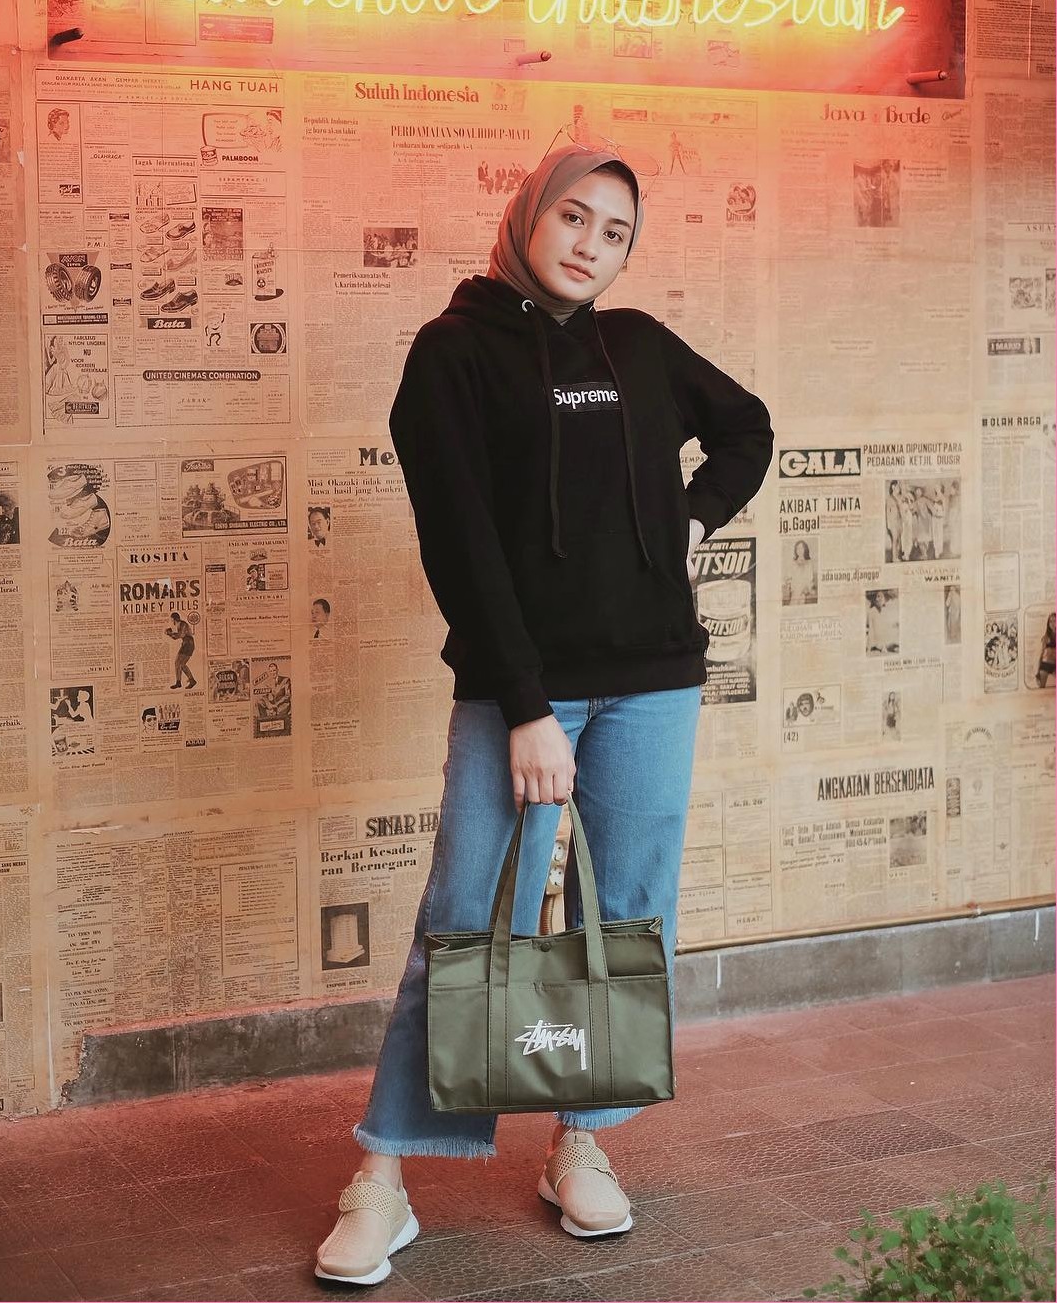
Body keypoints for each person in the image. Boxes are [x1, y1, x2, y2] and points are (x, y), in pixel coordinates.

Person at [313, 142, 773, 1285]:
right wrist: (525, 706)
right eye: (573, 216)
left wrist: (693, 517)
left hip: (654, 681)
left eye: (614, 232)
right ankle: (384, 1174)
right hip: (525, 685)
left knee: (623, 921)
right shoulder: (453, 352)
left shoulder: (639, 345)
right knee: (470, 919)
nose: (588, 245)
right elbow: (460, 544)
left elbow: (747, 427)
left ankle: (580, 1142)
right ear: (527, 214)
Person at [165, 612, 196, 689]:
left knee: (178, 663)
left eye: (172, 619)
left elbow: (180, 635)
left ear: (174, 619)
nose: (171, 621)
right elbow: (176, 637)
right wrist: (170, 633)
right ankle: (186, 681)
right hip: (187, 644)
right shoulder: (179, 624)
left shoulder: (182, 624)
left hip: (188, 644)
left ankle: (183, 682)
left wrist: (170, 633)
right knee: (181, 664)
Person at [783, 539, 817, 604]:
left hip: (805, 587)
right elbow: (789, 576)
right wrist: (789, 584)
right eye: (798, 548)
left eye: (801, 548)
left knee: (801, 595)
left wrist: (806, 588)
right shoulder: (793, 562)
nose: (800, 550)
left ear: (805, 549)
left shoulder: (809, 563)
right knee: (797, 594)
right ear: (796, 550)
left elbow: (810, 577)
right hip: (795, 587)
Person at [1036, 612, 1056, 688]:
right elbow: (1041, 654)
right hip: (1045, 665)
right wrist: (1038, 671)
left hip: (1055, 665)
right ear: (1048, 624)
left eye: (1054, 621)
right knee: (1041, 688)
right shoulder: (1046, 637)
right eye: (1050, 621)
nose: (1052, 623)